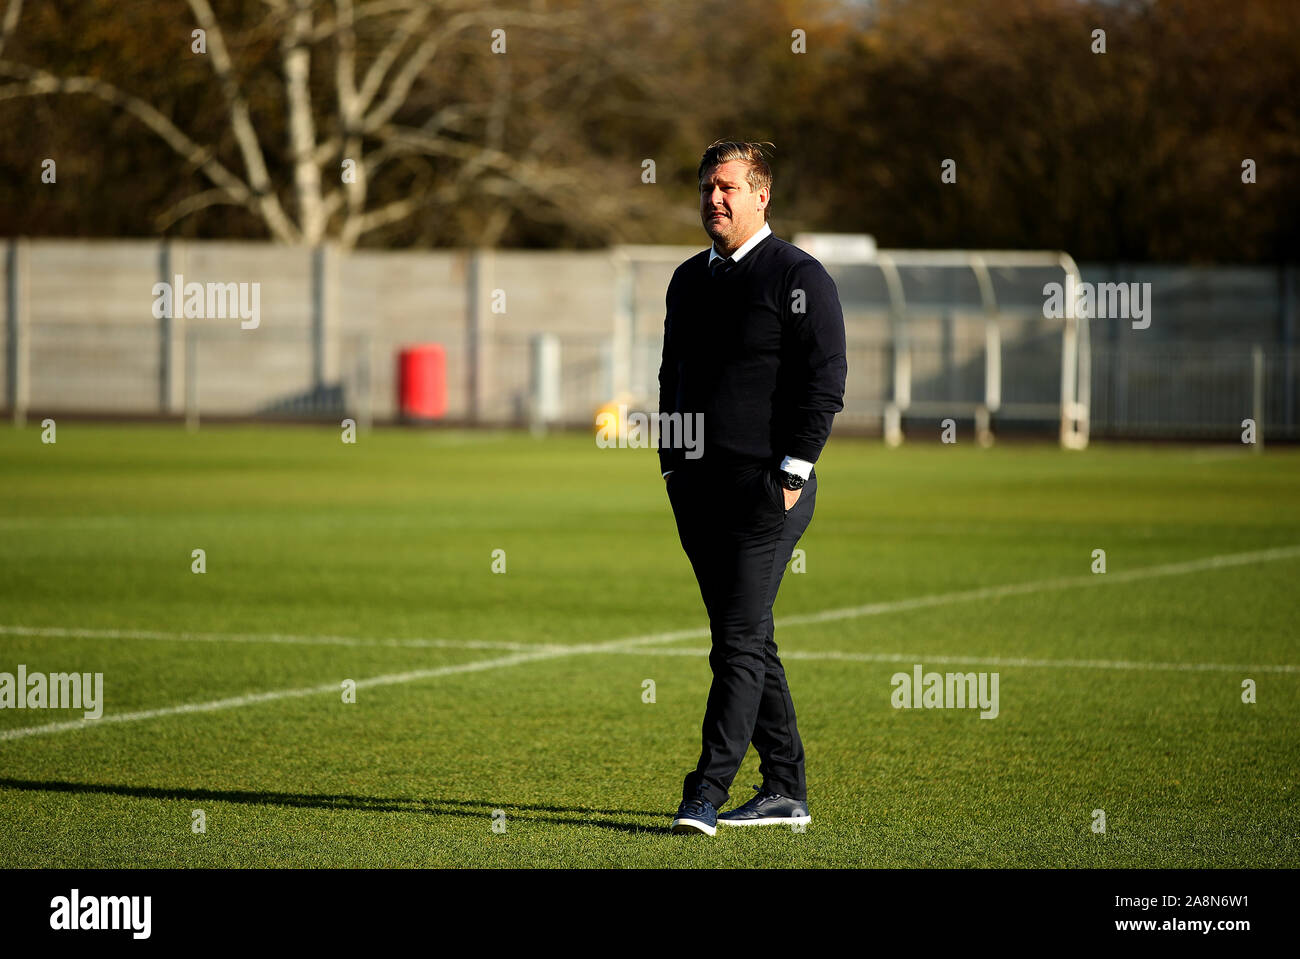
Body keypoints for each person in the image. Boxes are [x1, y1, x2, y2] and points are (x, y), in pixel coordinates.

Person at [658, 139, 847, 835]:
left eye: (728, 187)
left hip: (767, 491)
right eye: (708, 185)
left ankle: (702, 795)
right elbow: (670, 375)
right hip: (696, 490)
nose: (714, 198)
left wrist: (792, 475)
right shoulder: (687, 279)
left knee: (735, 642)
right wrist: (671, 467)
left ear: (761, 195)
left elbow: (825, 383)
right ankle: (786, 787)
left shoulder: (799, 275)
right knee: (745, 638)